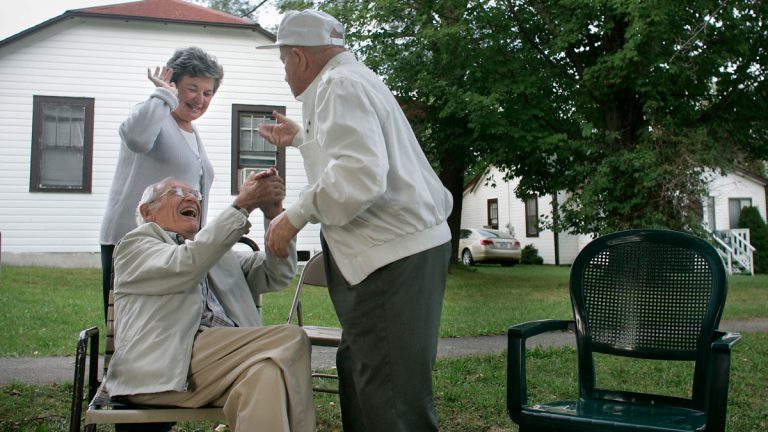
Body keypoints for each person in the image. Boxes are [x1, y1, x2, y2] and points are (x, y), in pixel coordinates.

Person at [256, 10, 453, 432]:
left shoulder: (338, 85)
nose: (284, 73)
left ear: (300, 58)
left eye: (283, 62)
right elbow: (349, 157)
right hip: (396, 253)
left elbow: (359, 177)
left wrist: (293, 217)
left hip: (391, 258)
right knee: (365, 374)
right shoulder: (353, 79)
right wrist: (301, 139)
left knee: (392, 398)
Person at [104, 172, 315, 432]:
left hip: (217, 367)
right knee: (291, 338)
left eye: (196, 194)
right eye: (177, 193)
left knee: (266, 373)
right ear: (148, 212)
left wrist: (274, 216)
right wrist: (242, 206)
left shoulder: (217, 254)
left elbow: (277, 274)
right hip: (160, 370)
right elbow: (187, 264)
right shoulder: (135, 246)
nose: (192, 197)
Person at [99, 46, 222, 322]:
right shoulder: (153, 115)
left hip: (175, 248)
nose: (200, 99)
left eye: (207, 92)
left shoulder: (192, 131)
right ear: (172, 83)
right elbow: (136, 138)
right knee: (129, 328)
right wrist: (162, 95)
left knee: (167, 328)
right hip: (132, 242)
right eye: (192, 88)